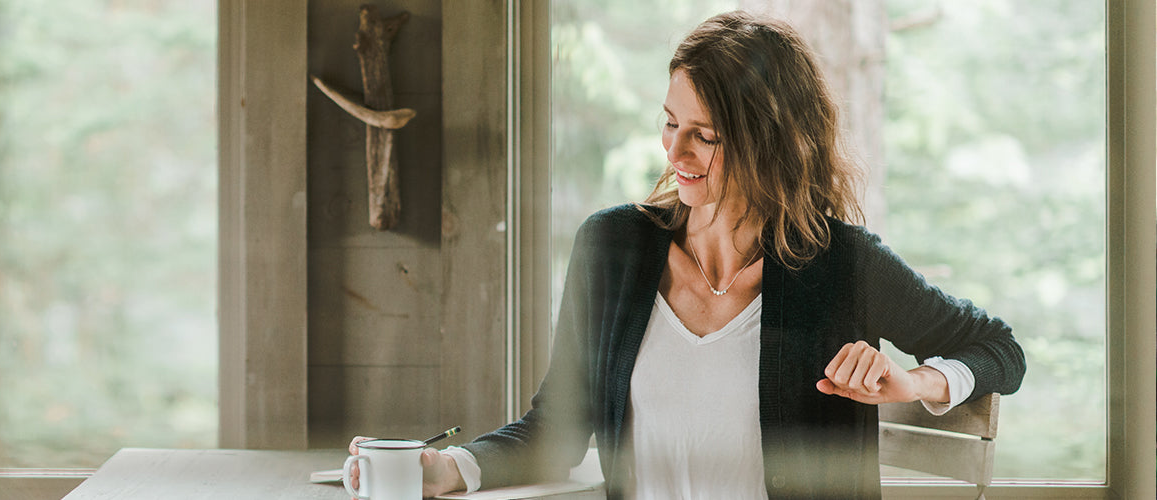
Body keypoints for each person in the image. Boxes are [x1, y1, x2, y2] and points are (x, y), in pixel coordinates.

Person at [348, 10, 1024, 500]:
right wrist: (450, 468)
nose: (675, 154)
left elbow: (998, 348)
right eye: (671, 123)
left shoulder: (840, 264)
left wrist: (916, 383)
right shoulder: (611, 248)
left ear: (771, 143)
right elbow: (557, 425)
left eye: (706, 135)